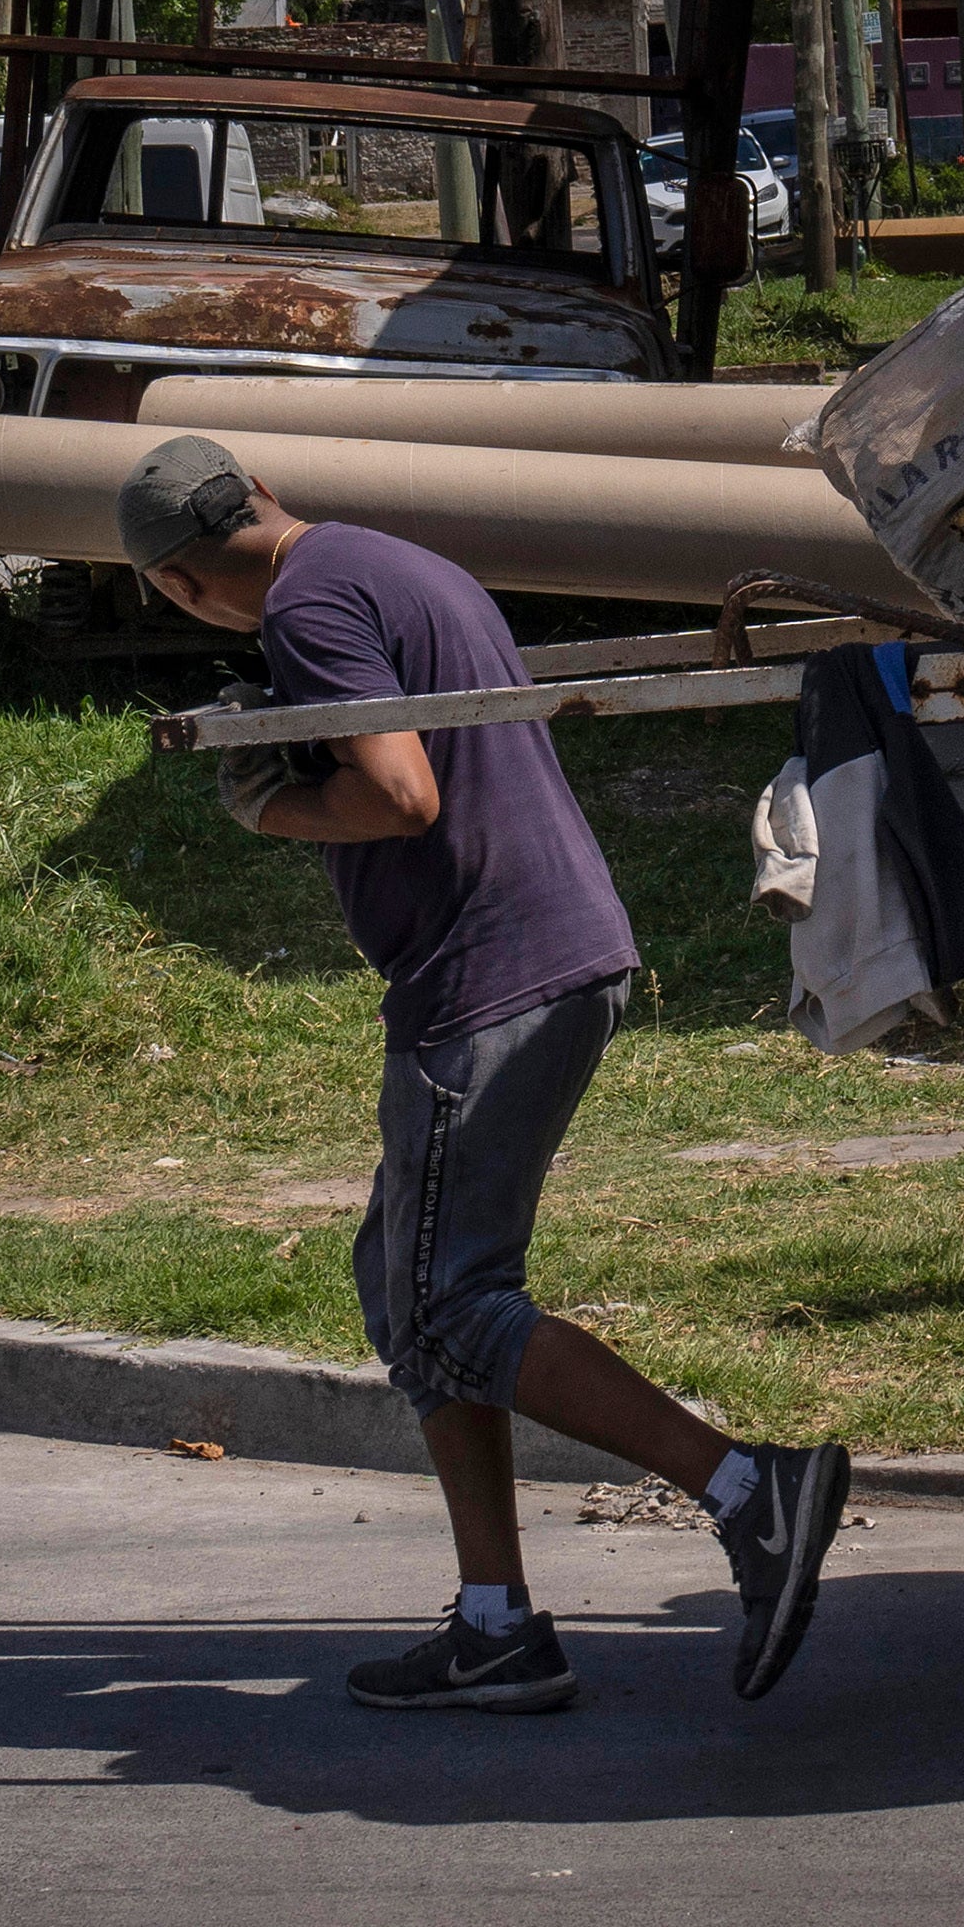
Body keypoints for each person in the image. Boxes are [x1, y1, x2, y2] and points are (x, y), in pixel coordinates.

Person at [121, 431, 850, 1715]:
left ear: (180, 581)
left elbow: (401, 795)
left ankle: (752, 1489)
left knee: (451, 1304)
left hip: (491, 974)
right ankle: (497, 1623)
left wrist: (269, 807)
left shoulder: (304, 602)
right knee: (410, 1297)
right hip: (549, 951)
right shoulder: (385, 562)